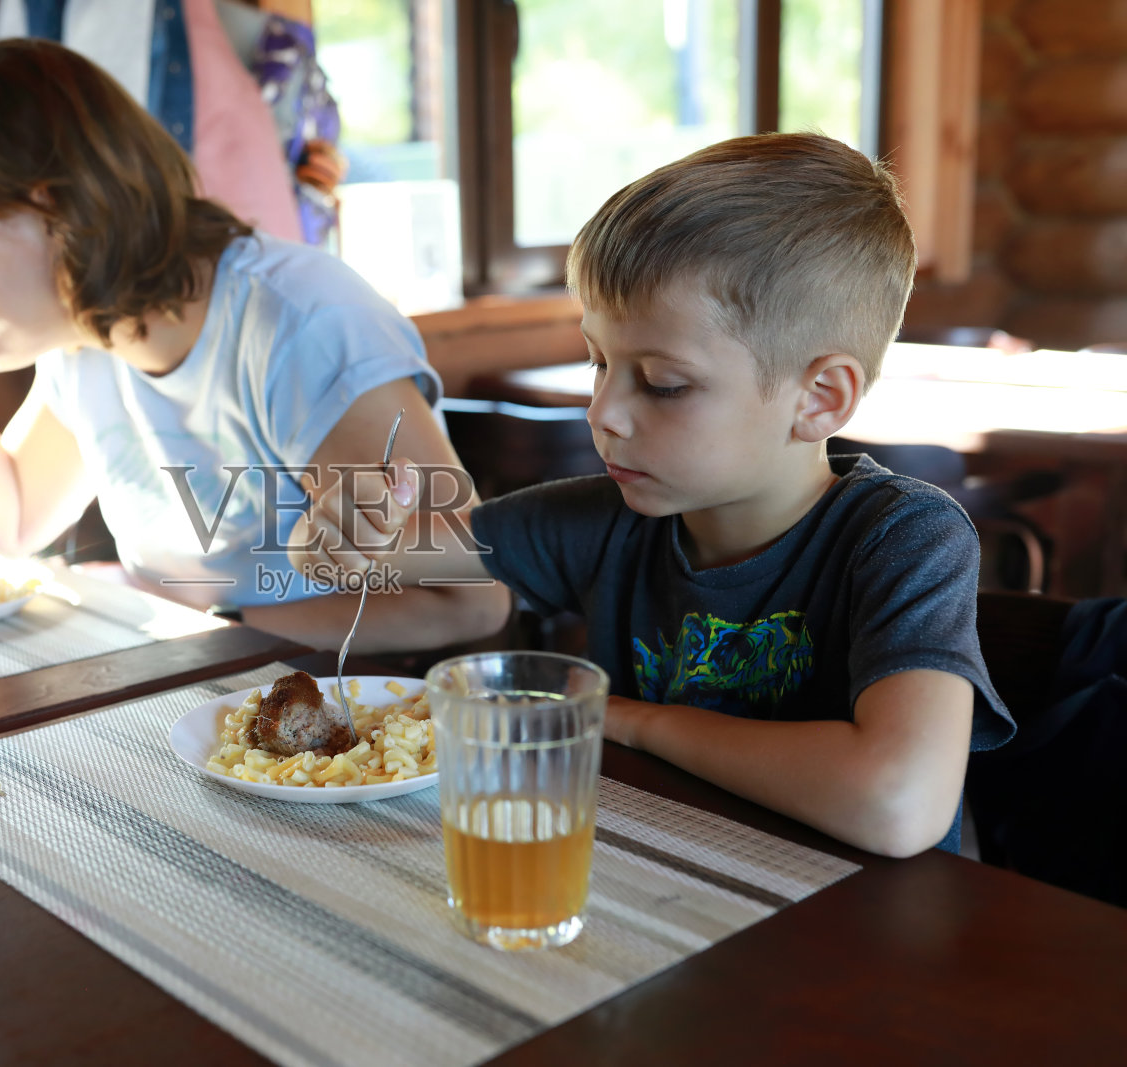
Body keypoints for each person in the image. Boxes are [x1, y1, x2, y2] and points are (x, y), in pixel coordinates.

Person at [290, 133, 1017, 857]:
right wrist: (340, 531)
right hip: (664, 882)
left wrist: (628, 719)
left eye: (664, 383)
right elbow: (358, 560)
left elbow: (897, 802)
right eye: (598, 362)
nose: (602, 411)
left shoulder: (906, 538)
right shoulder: (606, 520)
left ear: (820, 398)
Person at [0, 37, 509, 654]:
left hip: (318, 707)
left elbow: (469, 601)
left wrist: (214, 624)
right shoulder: (84, 332)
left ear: (55, 211)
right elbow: (11, 521)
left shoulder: (303, 326)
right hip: (182, 671)